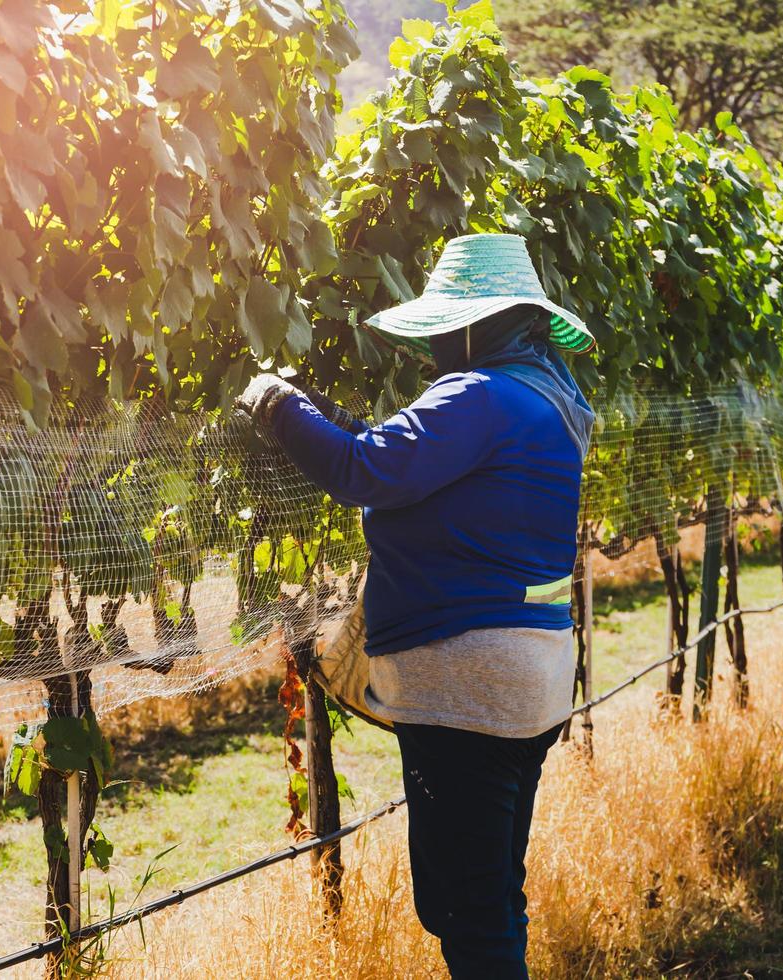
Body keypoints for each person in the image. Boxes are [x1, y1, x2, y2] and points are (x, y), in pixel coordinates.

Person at [236, 233, 596, 979]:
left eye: (443, 327)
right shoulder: (551, 403)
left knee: (462, 907)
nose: (435, 342)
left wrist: (279, 403)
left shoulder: (478, 396)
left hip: (469, 688)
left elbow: (360, 468)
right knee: (492, 893)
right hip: (531, 679)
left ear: (475, 326)